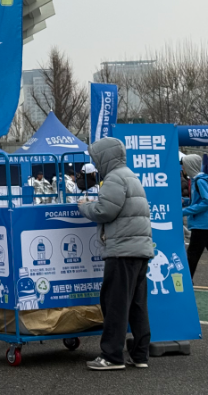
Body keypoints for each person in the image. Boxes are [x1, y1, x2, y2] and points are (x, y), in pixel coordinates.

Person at [77, 137, 152, 370]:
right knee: (137, 305)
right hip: (139, 249)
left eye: (96, 159)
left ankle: (111, 356)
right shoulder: (130, 175)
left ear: (104, 157)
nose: (96, 164)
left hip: (122, 251)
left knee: (115, 303)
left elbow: (104, 210)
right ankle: (140, 355)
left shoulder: (114, 178)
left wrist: (83, 205)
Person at [183, 154, 208, 278]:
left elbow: (206, 201)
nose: (183, 168)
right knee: (193, 254)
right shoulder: (197, 180)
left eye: (184, 165)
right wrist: (185, 201)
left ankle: (188, 281)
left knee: (193, 254)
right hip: (203, 224)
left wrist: (185, 211)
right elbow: (198, 200)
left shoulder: (200, 181)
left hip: (201, 224)